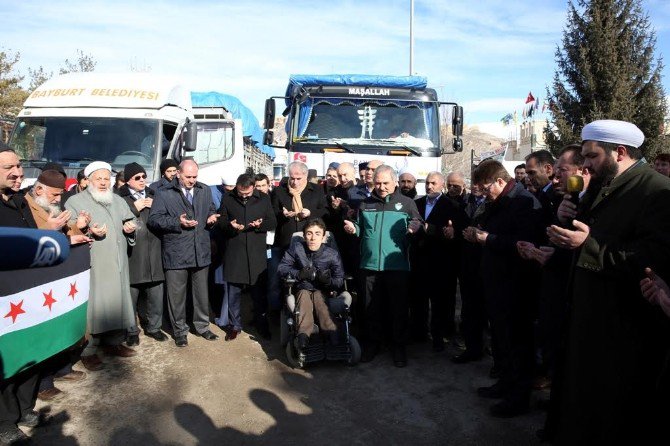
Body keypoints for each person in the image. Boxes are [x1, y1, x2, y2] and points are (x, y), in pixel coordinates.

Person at [546, 120, 670, 444]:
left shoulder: (657, 190)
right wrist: (566, 219)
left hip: (622, 330)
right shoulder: (605, 184)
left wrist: (586, 244)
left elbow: (648, 260)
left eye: (592, 156)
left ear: (619, 151)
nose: (585, 164)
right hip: (588, 321)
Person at [464, 159, 541, 418]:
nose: (484, 194)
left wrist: (489, 239)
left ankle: (518, 398)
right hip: (497, 283)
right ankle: (506, 384)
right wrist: (478, 232)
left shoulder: (523, 201)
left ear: (500, 181)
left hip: (516, 286)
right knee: (503, 339)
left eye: (486, 188)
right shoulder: (499, 201)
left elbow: (524, 243)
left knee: (518, 343)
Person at [343, 164, 423, 367]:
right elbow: (361, 228)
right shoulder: (365, 204)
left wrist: (416, 227)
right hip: (369, 266)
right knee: (371, 308)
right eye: (377, 183)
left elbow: (418, 224)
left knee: (398, 309)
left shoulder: (407, 203)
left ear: (395, 182)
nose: (381, 187)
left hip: (397, 266)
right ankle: (373, 344)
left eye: (385, 183)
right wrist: (354, 229)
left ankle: (399, 347)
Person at [64, 161, 139, 370]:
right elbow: (68, 231)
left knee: (116, 302)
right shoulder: (75, 202)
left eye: (107, 178)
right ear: (88, 181)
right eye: (99, 178)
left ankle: (113, 343)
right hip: (94, 263)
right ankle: (88, 351)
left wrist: (130, 226)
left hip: (118, 261)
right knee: (95, 308)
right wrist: (87, 231)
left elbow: (130, 219)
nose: (104, 183)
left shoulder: (117, 200)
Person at [0, 144, 47, 443]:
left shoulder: (22, 201)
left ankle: (24, 409)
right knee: (6, 360)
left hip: (29, 296)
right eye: (9, 169)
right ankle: (4, 423)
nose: (18, 173)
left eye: (18, 166)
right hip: (4, 300)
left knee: (31, 353)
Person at [148, 159, 221, 347]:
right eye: (188, 177)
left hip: (200, 251)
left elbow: (210, 209)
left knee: (201, 294)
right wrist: (176, 222)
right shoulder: (164, 193)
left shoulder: (204, 190)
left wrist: (211, 217)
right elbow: (154, 219)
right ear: (178, 174)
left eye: (195, 176)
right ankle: (180, 331)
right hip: (176, 252)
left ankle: (203, 327)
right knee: (176, 296)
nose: (192, 180)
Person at [410, 172, 466, 351]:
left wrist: (429, 229)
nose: (429, 186)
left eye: (433, 183)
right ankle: (419, 333)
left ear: (442, 185)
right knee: (419, 300)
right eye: (427, 183)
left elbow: (451, 233)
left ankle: (438, 336)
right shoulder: (416, 204)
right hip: (419, 261)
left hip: (440, 262)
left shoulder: (452, 206)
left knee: (440, 302)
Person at [216, 173, 277, 341]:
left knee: (259, 293)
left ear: (253, 187)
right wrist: (230, 226)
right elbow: (221, 223)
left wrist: (260, 225)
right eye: (240, 193)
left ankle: (261, 323)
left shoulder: (264, 198)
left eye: (247, 194)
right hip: (235, 252)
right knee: (233, 293)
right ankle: (234, 325)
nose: (243, 197)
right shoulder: (228, 198)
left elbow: (272, 222)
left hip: (256, 252)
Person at [117, 162, 168, 346]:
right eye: (137, 177)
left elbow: (166, 215)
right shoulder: (119, 197)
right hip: (133, 253)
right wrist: (134, 208)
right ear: (128, 180)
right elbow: (115, 219)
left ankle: (154, 328)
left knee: (156, 294)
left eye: (143, 176)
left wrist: (156, 207)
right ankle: (131, 330)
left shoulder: (155, 194)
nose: (142, 180)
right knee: (131, 296)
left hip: (154, 250)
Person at [267, 161, 327, 312]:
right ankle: (277, 312)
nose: (294, 182)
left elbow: (324, 211)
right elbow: (271, 213)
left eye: (298, 178)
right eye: (292, 178)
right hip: (284, 242)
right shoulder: (279, 191)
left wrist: (310, 212)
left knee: (305, 280)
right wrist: (282, 214)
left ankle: (305, 311)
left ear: (306, 176)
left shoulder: (317, 190)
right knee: (277, 280)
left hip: (308, 245)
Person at [277, 218, 345, 349]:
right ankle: (303, 335)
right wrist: (299, 274)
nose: (313, 238)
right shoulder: (296, 249)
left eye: (317, 233)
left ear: (324, 237)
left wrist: (328, 281)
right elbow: (282, 269)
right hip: (301, 288)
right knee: (304, 296)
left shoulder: (331, 254)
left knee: (320, 298)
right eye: (309, 233)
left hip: (323, 289)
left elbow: (339, 279)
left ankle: (331, 331)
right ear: (304, 236)